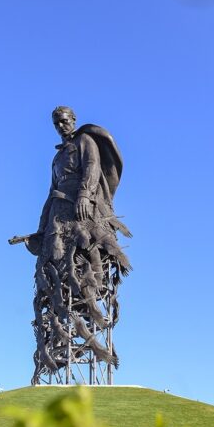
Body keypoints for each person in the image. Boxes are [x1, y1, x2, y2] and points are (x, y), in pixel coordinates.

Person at [26, 106, 131, 384]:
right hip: (58, 212)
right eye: (56, 122)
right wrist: (39, 230)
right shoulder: (57, 156)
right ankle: (54, 346)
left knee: (83, 264)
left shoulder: (85, 142)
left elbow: (93, 168)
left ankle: (88, 325)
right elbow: (50, 193)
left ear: (73, 120)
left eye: (64, 120)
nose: (61, 125)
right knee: (53, 274)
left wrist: (85, 194)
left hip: (81, 208)